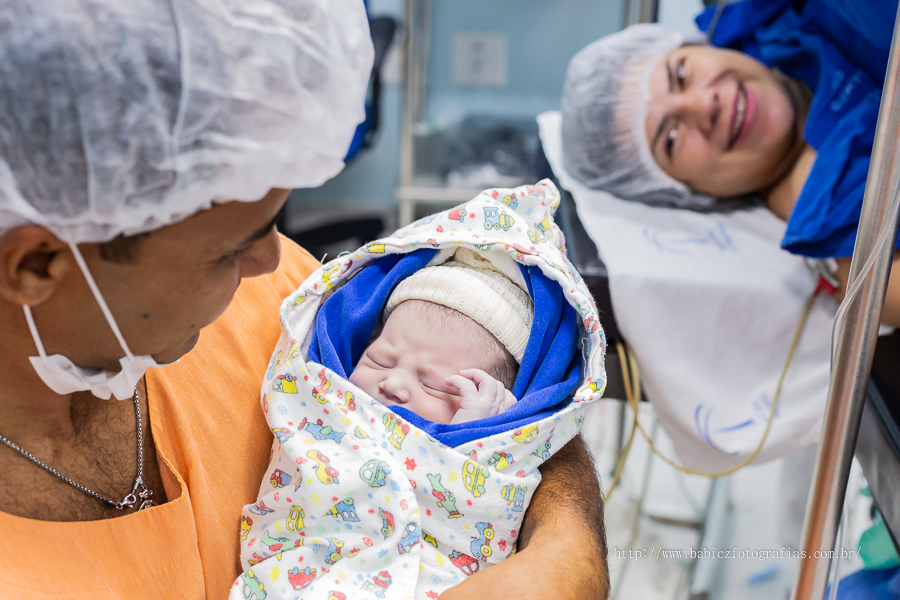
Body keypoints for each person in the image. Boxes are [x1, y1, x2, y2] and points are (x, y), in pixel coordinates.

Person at [0, 1, 609, 598]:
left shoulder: (291, 306)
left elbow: (522, 405)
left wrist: (567, 544)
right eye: (232, 248)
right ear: (37, 264)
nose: (272, 259)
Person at [235, 187, 606, 599]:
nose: (392, 384)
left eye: (432, 383)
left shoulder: (490, 447)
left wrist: (482, 443)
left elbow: (484, 519)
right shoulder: (317, 392)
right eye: (378, 360)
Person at [561, 0, 900, 325]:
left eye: (681, 73)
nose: (703, 104)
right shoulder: (863, 257)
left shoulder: (770, 18)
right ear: (690, 193)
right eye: (672, 138)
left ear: (700, 47)